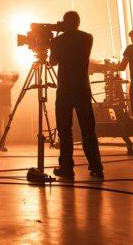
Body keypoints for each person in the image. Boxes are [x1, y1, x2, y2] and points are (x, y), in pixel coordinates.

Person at [49, 11, 103, 179]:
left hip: (64, 90)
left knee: (65, 130)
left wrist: (54, 39)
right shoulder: (88, 38)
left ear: (65, 23)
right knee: (88, 130)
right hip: (82, 88)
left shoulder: (57, 41)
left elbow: (52, 62)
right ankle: (96, 167)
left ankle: (66, 167)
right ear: (78, 22)